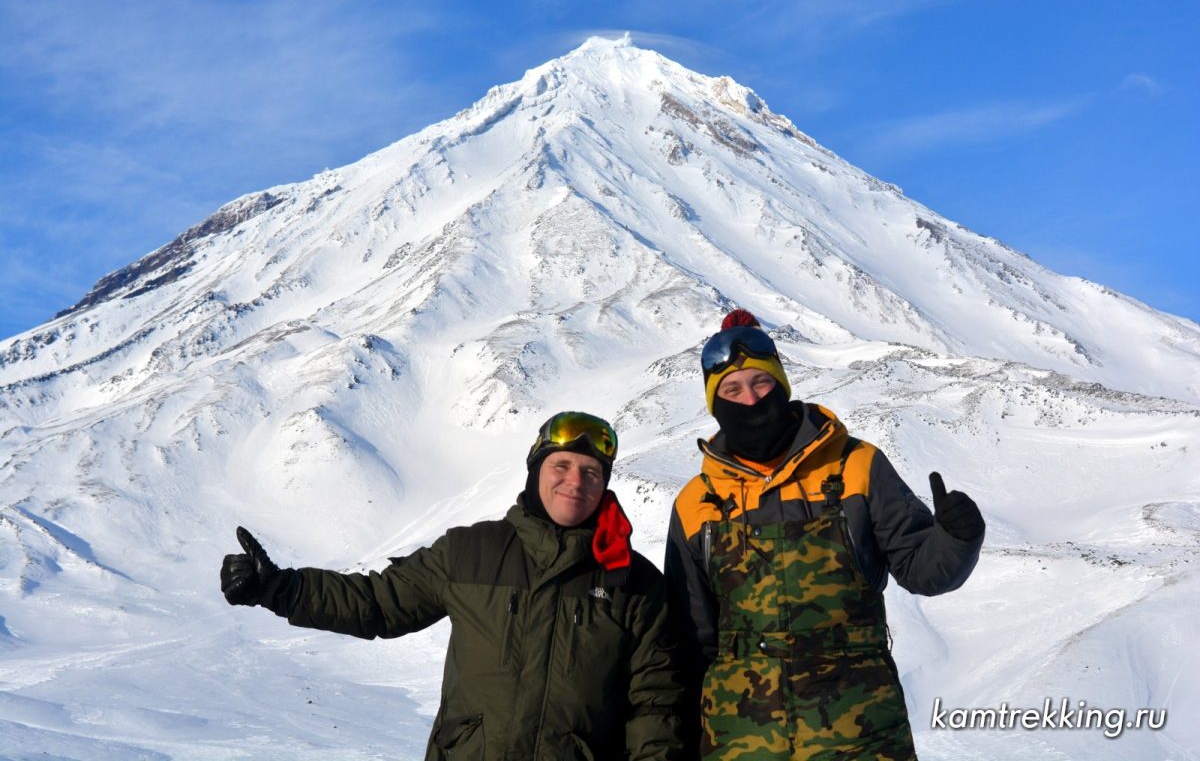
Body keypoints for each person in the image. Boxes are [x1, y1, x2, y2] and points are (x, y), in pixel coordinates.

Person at [222, 411, 685, 760]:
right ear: (536, 470)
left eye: (591, 472)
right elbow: (379, 603)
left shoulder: (634, 583)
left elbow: (656, 707)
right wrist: (280, 589)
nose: (575, 482)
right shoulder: (470, 552)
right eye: (560, 465)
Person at [664, 311, 985, 760]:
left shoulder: (855, 466)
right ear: (715, 402)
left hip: (860, 735)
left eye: (761, 383)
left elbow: (922, 570)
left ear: (781, 384)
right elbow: (692, 635)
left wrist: (955, 538)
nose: (750, 400)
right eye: (732, 390)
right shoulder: (696, 503)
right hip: (740, 740)